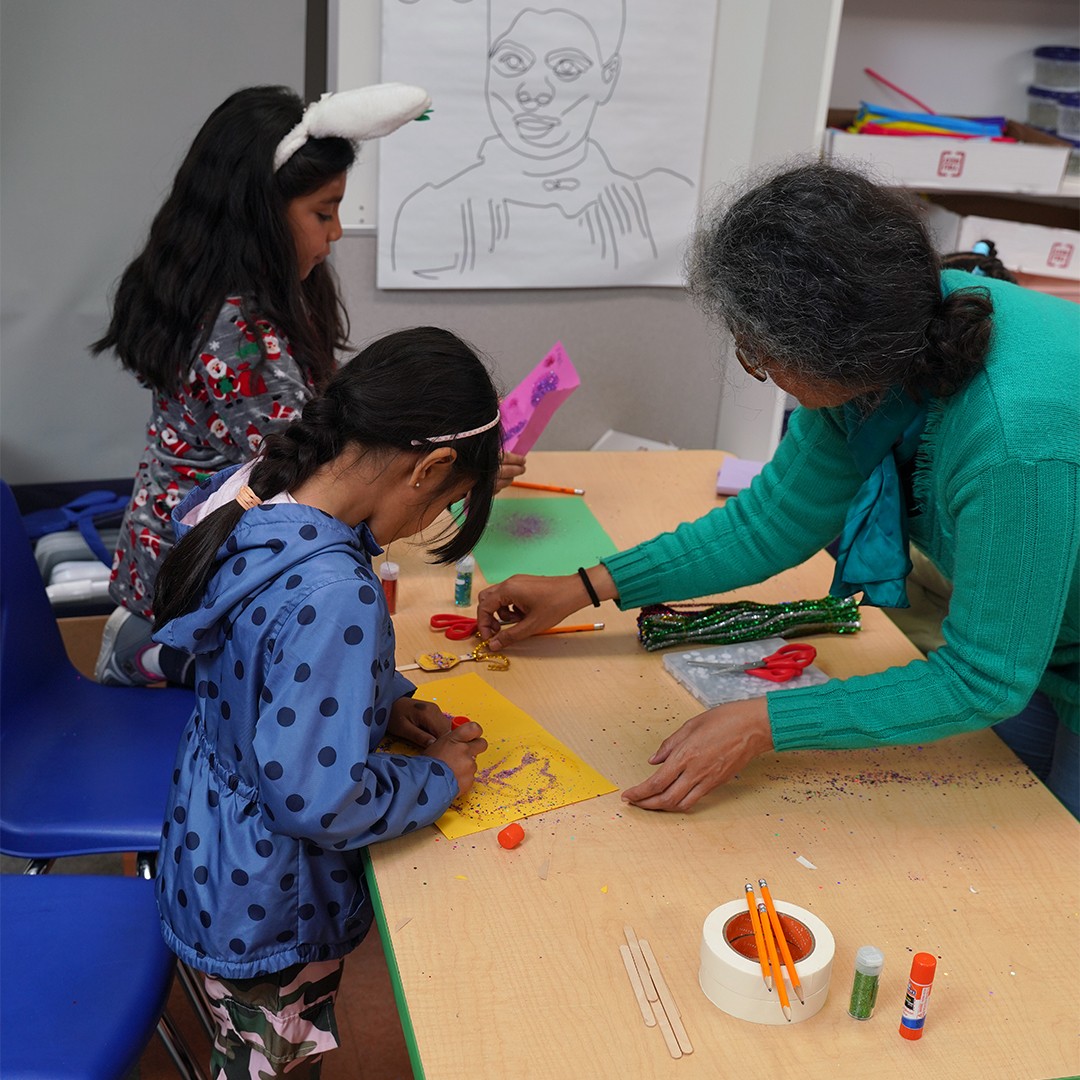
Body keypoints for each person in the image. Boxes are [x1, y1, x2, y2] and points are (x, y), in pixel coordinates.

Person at [476, 161, 1080, 820]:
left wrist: (766, 722)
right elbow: (768, 524)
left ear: (832, 354)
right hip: (1045, 648)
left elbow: (982, 676)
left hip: (1032, 650)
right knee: (1009, 811)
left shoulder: (1013, 443)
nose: (760, 369)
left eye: (759, 358)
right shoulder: (897, 337)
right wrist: (585, 587)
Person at [91, 83, 526, 687]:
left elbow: (321, 415)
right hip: (189, 573)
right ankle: (152, 651)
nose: (338, 232)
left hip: (210, 543)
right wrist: (436, 462)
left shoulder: (266, 299)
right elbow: (312, 465)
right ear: (258, 215)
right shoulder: (233, 335)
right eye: (323, 212)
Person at [152, 326, 497, 1078]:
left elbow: (266, 668)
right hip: (270, 903)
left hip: (212, 852)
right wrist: (439, 777)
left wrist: (382, 703)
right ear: (430, 466)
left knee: (246, 1053)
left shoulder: (265, 498)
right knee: (268, 1067)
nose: (423, 528)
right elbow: (320, 798)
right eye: (445, 504)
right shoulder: (338, 589)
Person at [389, 0, 693, 284]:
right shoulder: (434, 210)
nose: (534, 92)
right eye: (512, 61)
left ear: (608, 77)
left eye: (567, 68)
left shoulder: (641, 208)